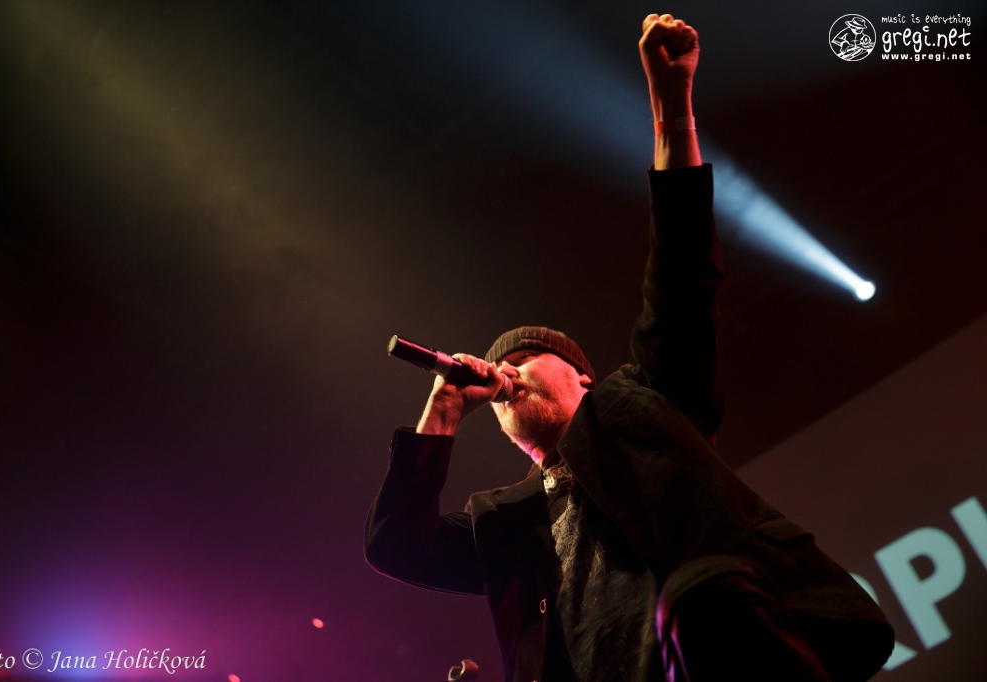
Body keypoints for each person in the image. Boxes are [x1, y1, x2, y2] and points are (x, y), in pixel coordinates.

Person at [365, 13, 894, 682]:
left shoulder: (645, 407)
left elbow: (682, 272)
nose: (505, 375)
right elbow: (396, 545)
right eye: (499, 374)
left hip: (721, 653)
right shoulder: (504, 523)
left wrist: (672, 110)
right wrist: (442, 411)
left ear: (585, 379)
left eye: (524, 359)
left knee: (701, 591)